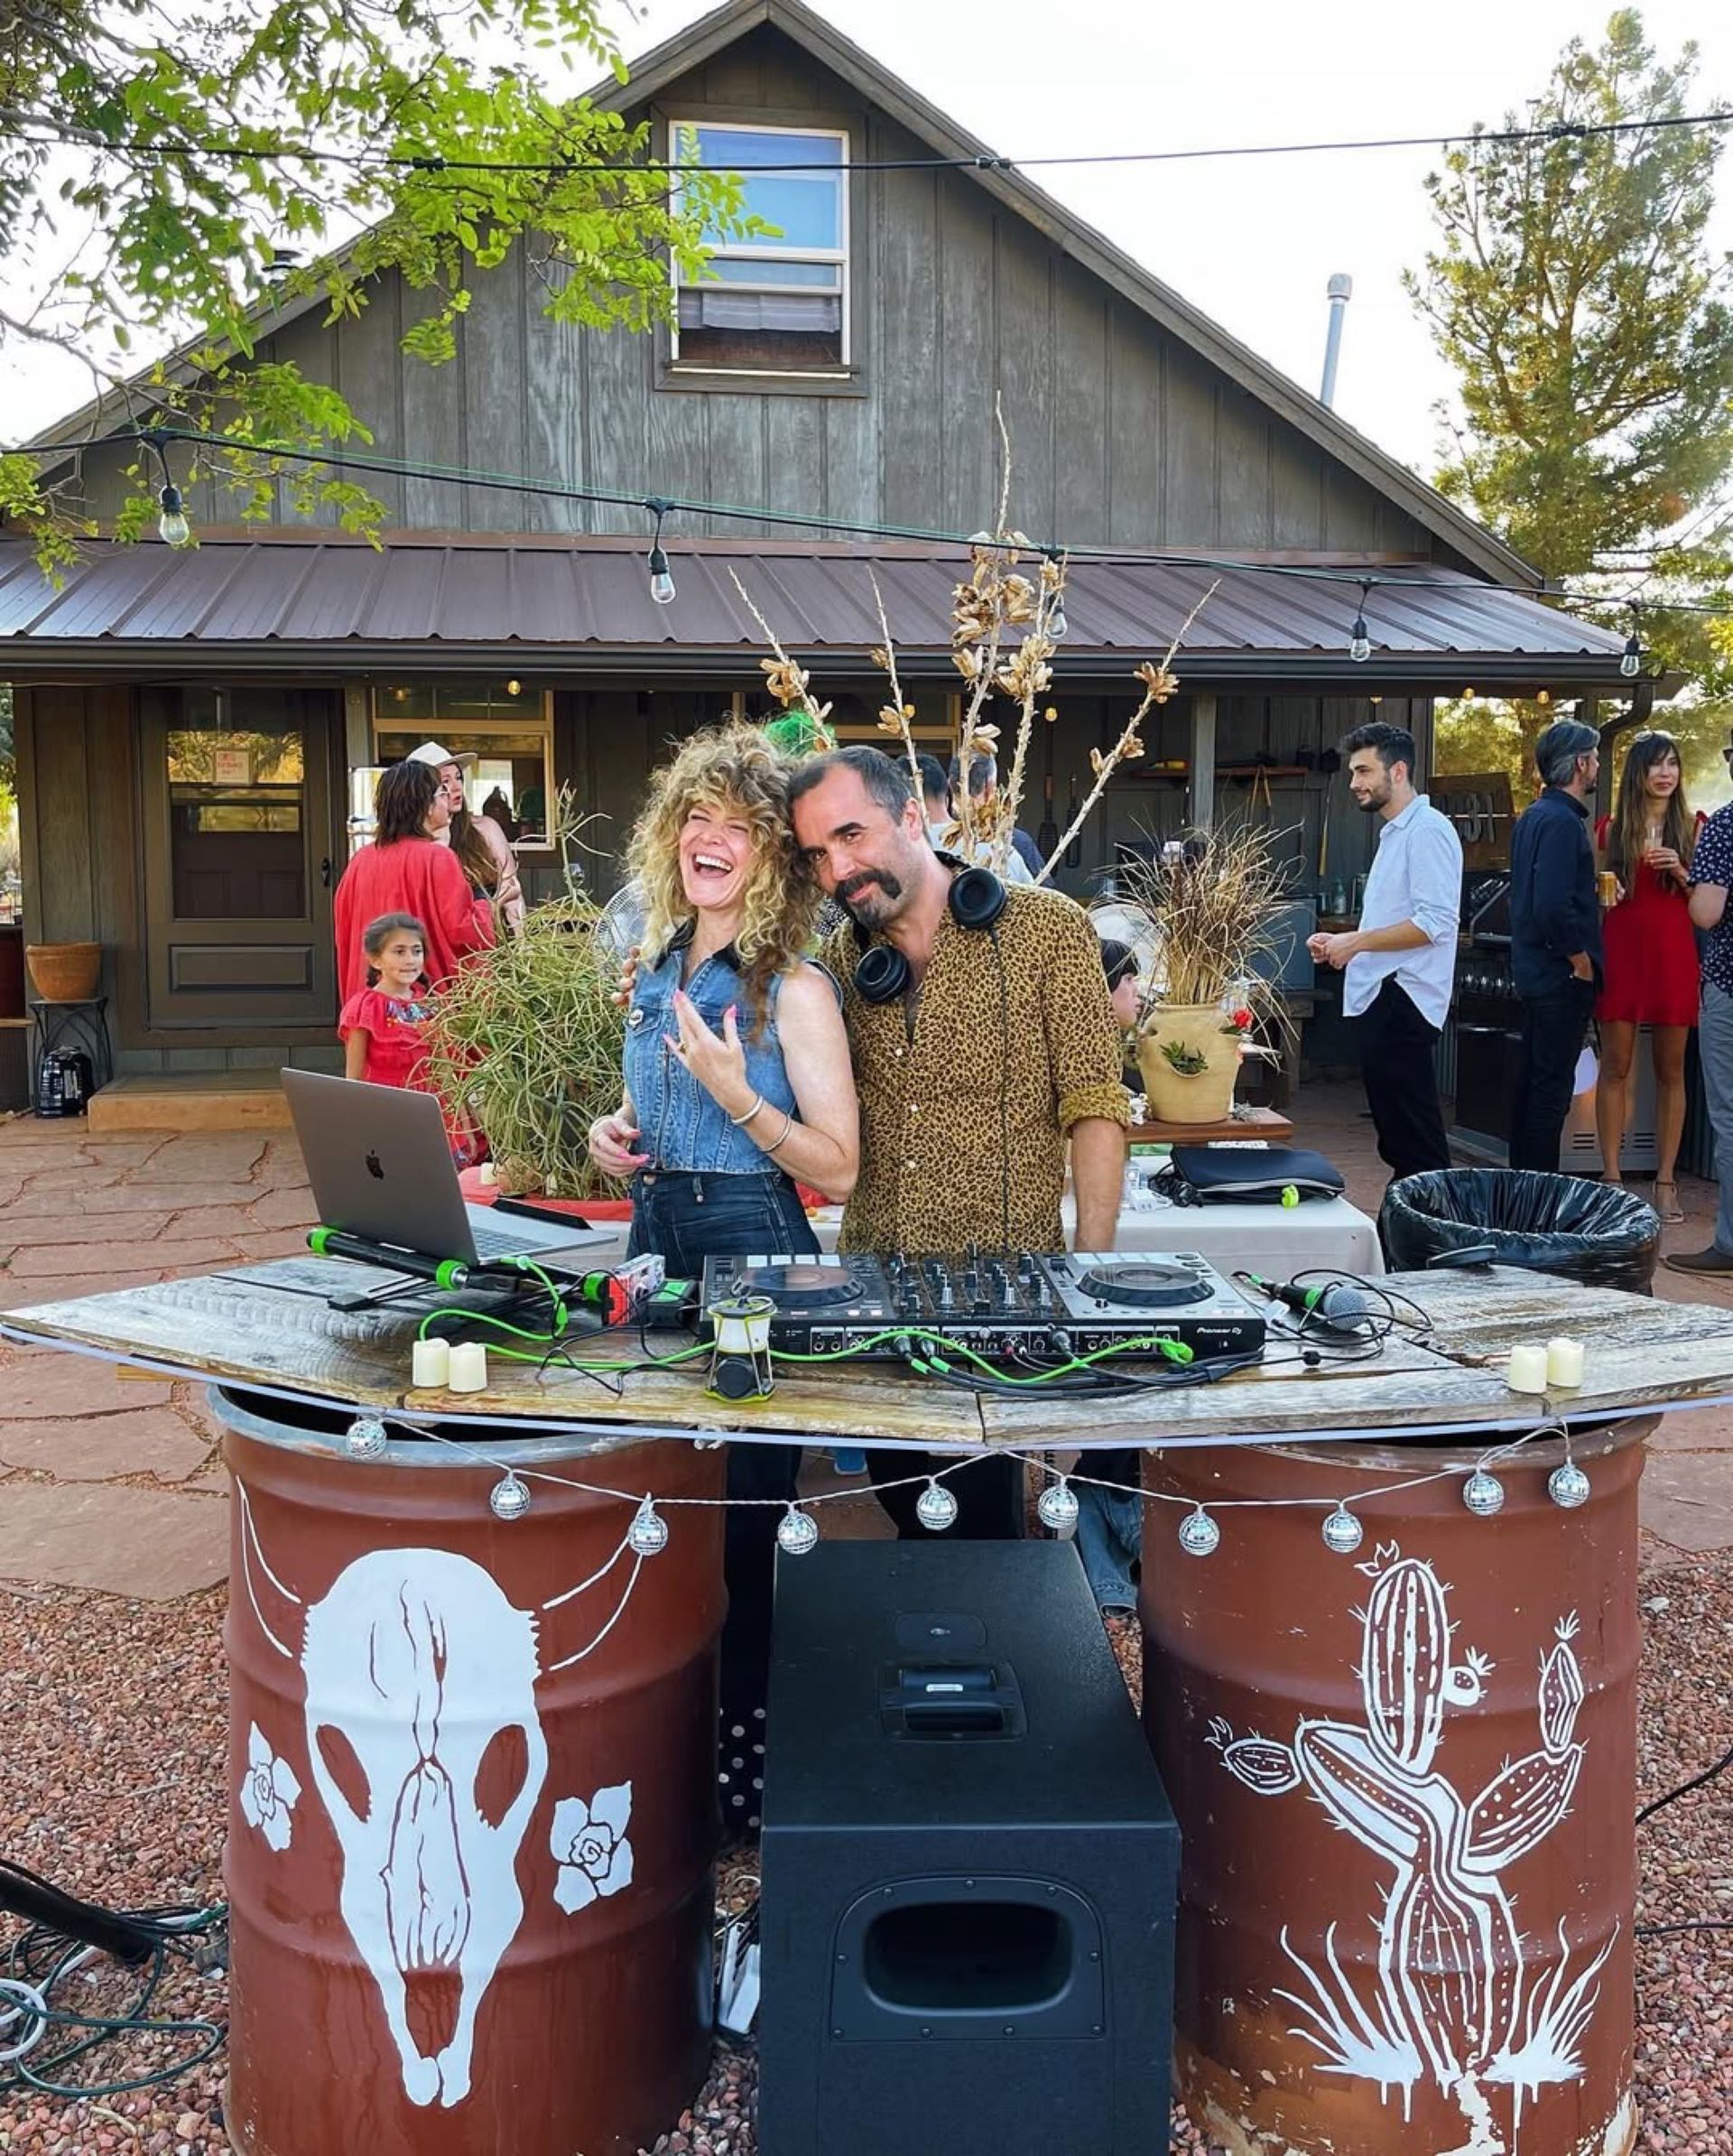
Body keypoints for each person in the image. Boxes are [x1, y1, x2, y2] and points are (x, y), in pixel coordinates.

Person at [587, 725, 858, 1836]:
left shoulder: (793, 989)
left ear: (772, 857)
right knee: (654, 1501)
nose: (712, 838)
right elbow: (653, 1107)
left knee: (743, 1524)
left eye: (740, 827)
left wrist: (736, 1093)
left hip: (756, 1249)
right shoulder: (657, 967)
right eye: (698, 817)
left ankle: (744, 1784)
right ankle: (660, 1761)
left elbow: (838, 1167)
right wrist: (615, 1132)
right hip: (655, 1236)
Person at [787, 745, 1128, 1538]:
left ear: (912, 815)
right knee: (905, 1510)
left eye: (851, 835)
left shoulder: (1048, 931)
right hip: (877, 1296)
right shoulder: (840, 961)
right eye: (817, 855)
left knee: (985, 1533)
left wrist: (1088, 1280)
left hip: (1003, 1298)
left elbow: (1095, 1106)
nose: (839, 869)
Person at [1307, 722, 1460, 1182]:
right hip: (1383, 997)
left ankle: (1432, 1225)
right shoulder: (1398, 831)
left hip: (1403, 999)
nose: (1354, 783)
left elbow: (1436, 923)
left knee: (1418, 1148)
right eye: (1353, 772)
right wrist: (1343, 943)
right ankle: (1405, 1224)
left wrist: (1355, 942)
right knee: (1400, 1143)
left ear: (1398, 771)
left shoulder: (1427, 831)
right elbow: (1399, 917)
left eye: (1363, 771)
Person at [1595, 730, 1697, 1222]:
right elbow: (1597, 897)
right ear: (1638, 772)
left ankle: (1666, 1181)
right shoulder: (1611, 830)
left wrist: (1679, 870)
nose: (1665, 773)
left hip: (1673, 955)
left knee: (1671, 1070)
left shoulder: (1695, 828)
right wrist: (1605, 893)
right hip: (1622, 952)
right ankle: (1612, 1178)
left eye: (1672, 764)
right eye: (1656, 764)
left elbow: (1708, 905)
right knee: (1615, 1067)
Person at [1507, 720, 1603, 1176]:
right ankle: (1539, 1196)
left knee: (1531, 1090)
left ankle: (1520, 1189)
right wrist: (1579, 959)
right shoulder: (1563, 823)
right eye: (1595, 757)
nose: (1598, 764)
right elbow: (1550, 905)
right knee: (1550, 1094)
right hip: (1559, 976)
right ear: (1581, 763)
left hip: (1533, 973)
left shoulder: (1533, 816)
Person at [333, 759, 494, 1007]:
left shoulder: (360, 861)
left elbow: (345, 934)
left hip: (370, 1006)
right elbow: (466, 932)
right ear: (427, 806)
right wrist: (485, 903)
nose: (448, 798)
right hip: (423, 1006)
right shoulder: (437, 857)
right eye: (442, 791)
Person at [1668, 762, 1733, 1275]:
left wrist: (1687, 881)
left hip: (1729, 986)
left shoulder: (1725, 825)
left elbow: (1707, 913)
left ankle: (1730, 1243)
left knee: (1729, 1117)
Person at [408, 741, 524, 934]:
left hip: (490, 939)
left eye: (458, 778)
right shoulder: (412, 844)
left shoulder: (485, 828)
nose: (456, 787)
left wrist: (522, 943)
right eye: (445, 781)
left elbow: (512, 889)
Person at [340, 914, 435, 1088]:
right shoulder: (365, 1008)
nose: (410, 960)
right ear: (376, 960)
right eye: (399, 952)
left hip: (428, 1099)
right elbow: (353, 1078)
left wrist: (458, 1106)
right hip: (384, 1100)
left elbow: (444, 1068)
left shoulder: (429, 1004)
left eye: (417, 951)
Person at [943, 751, 1040, 881]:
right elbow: (1042, 891)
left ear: (949, 784)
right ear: (990, 787)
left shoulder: (926, 841)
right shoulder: (1015, 842)